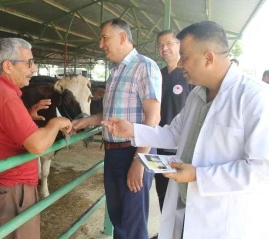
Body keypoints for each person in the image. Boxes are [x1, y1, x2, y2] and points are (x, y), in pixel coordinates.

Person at [101, 21, 269, 239]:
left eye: (185, 57)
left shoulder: (255, 97)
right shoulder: (197, 95)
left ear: (208, 58)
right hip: (185, 210)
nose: (180, 64)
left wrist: (199, 175)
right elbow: (172, 134)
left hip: (222, 221)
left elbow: (262, 169)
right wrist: (133, 130)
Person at [0, 38, 72, 239]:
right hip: (13, 189)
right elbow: (38, 145)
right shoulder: (4, 94)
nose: (33, 68)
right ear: (8, 66)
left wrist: (25, 115)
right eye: (29, 62)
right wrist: (56, 123)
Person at [71, 18, 162, 239]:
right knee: (118, 217)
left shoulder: (144, 66)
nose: (100, 45)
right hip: (113, 153)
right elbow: (110, 115)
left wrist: (139, 162)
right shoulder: (115, 72)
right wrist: (85, 121)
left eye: (104, 38)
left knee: (132, 222)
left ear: (122, 37)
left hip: (133, 151)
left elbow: (154, 117)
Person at [155, 30, 193, 215]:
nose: (165, 48)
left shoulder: (189, 75)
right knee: (162, 192)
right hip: (159, 147)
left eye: (169, 43)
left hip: (184, 147)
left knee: (184, 198)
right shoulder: (156, 75)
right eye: (161, 45)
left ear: (179, 45)